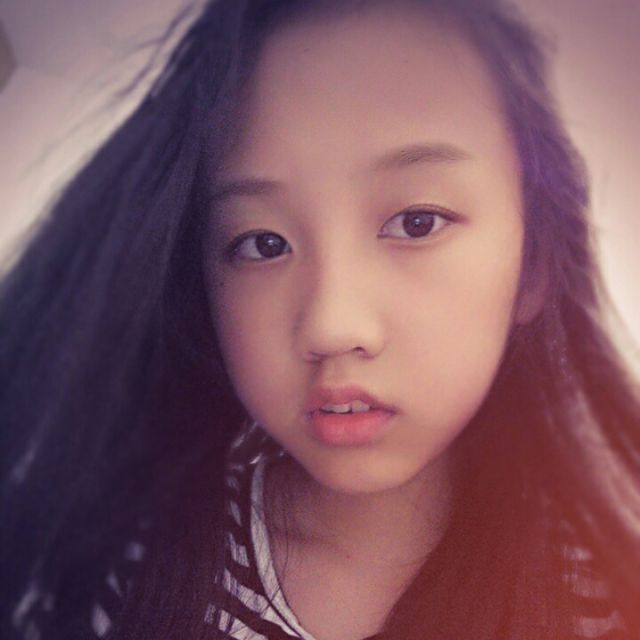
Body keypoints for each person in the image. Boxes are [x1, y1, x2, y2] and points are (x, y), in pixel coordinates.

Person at [2, 0, 639, 638]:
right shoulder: (123, 567)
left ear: (534, 264)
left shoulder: (607, 598)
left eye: (417, 222)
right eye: (263, 243)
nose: (331, 327)